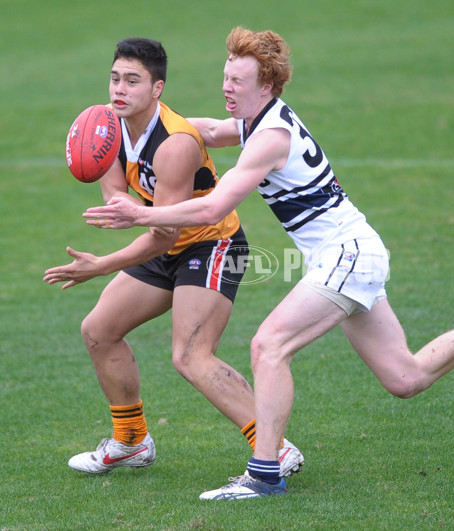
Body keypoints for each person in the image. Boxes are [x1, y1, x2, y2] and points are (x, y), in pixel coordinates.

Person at [83, 28, 454, 499]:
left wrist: (139, 212)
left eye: (238, 81)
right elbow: (208, 129)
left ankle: (263, 474)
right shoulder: (257, 121)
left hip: (347, 254)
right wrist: (143, 119)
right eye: (225, 77)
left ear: (268, 85)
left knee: (269, 345)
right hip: (353, 253)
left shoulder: (270, 137)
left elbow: (213, 208)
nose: (226, 87)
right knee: (404, 378)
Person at [43, 37, 304, 478]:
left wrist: (100, 266)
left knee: (191, 355)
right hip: (164, 240)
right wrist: (119, 199)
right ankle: (131, 442)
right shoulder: (105, 126)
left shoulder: (175, 144)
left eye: (132, 81)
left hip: (211, 245)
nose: (119, 90)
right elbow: (118, 201)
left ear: (157, 88)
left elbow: (163, 236)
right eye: (114, 79)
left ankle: (274, 447)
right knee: (99, 330)